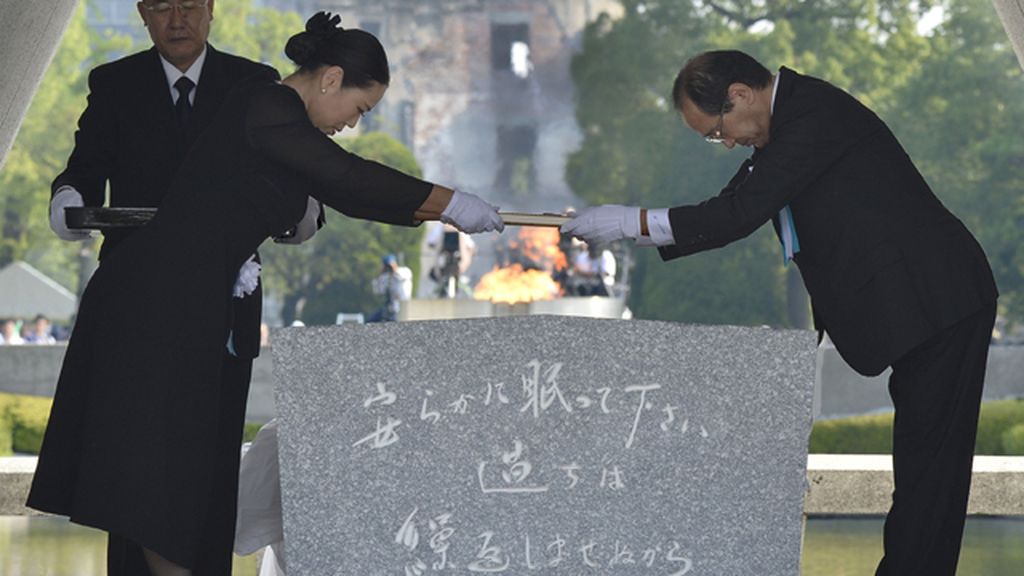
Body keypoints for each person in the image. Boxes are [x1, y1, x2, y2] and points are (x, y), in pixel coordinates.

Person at [27, 11, 503, 576]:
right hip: (152, 305)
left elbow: (345, 192)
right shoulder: (267, 104)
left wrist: (444, 210)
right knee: (158, 488)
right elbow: (346, 178)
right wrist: (450, 203)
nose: (352, 123)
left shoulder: (279, 119)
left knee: (174, 483)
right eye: (359, 109)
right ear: (330, 79)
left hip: (187, 306)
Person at [561, 50, 997, 576]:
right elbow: (731, 203)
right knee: (923, 472)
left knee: (930, 476)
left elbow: (737, 215)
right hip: (920, 308)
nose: (724, 144)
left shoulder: (813, 115)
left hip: (939, 300)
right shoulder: (788, 124)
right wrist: (637, 226)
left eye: (716, 131)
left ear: (740, 95)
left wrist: (631, 222)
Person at [44, 3, 309, 574]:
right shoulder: (115, 84)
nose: (178, 17)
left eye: (190, 3)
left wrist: (303, 209)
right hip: (137, 310)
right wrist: (67, 199)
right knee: (136, 462)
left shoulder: (253, 83)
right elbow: (83, 169)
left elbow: (294, 169)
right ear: (142, 13)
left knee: (211, 460)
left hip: (223, 308)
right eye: (162, 5)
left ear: (211, 10)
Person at [367, 253, 412, 322]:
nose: (389, 267)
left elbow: (402, 277)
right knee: (371, 320)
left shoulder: (404, 271)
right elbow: (378, 291)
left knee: (394, 323)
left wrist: (395, 270)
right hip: (388, 306)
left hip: (400, 305)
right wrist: (380, 274)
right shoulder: (385, 276)